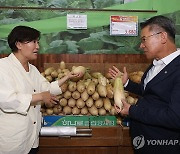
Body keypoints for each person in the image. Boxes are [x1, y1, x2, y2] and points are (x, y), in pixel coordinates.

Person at [0, 25, 81, 154]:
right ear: (19, 44)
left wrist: (67, 77)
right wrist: (40, 97)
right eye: (33, 42)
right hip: (12, 141)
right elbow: (7, 100)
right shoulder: (3, 67)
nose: (37, 46)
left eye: (38, 42)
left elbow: (47, 89)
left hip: (31, 138)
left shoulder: (33, 69)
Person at [109, 15, 180, 154]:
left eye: (144, 39)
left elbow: (175, 117)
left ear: (162, 37)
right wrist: (127, 83)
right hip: (145, 143)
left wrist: (132, 111)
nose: (141, 45)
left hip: (164, 146)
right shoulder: (155, 64)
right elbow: (150, 93)